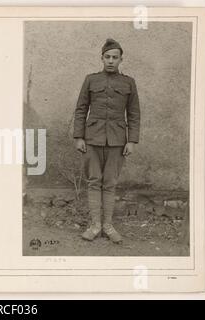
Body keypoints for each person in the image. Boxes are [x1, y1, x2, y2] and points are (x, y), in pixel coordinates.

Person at [73, 38, 140, 243]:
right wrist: (79, 137)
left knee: (110, 183)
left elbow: (134, 113)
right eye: (107, 57)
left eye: (115, 57)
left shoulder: (128, 83)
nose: (111, 61)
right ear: (101, 58)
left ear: (121, 60)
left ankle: (108, 226)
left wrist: (132, 141)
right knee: (94, 182)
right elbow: (81, 109)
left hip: (118, 141)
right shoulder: (91, 80)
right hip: (92, 139)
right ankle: (95, 226)